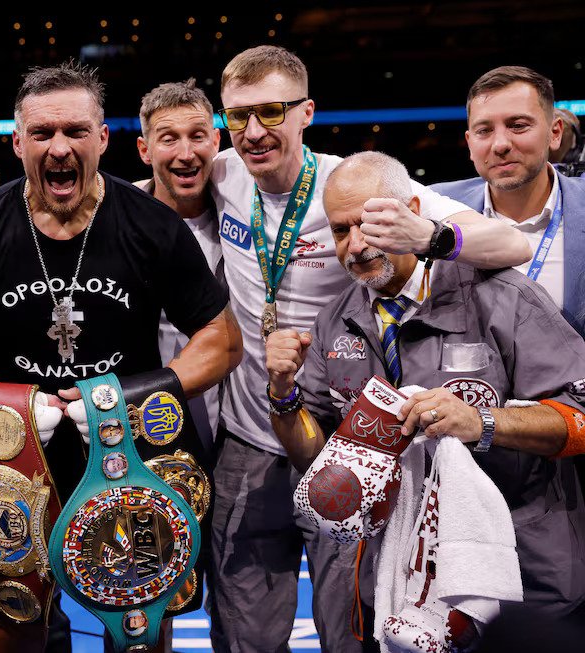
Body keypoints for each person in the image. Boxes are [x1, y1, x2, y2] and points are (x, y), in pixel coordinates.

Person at [0, 60, 241, 653]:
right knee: (16, 624)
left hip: (125, 448)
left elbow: (223, 338)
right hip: (15, 454)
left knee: (139, 626)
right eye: (43, 134)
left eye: (75, 131)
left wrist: (134, 397)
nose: (59, 148)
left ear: (102, 139)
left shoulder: (150, 225)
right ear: (18, 141)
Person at [207, 45, 533, 653]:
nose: (253, 132)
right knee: (244, 631)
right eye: (238, 115)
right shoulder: (223, 173)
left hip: (347, 438)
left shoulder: (351, 183)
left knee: (348, 624)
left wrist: (431, 236)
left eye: (272, 112)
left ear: (307, 112)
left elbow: (512, 244)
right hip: (250, 433)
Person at [266, 151, 585, 636]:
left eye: (369, 224)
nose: (355, 246)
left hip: (520, 569)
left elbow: (580, 417)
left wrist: (484, 422)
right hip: (398, 578)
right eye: (339, 230)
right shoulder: (334, 322)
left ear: (412, 211)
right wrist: (284, 395)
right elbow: (318, 458)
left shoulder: (500, 295)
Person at [431, 66, 585, 337]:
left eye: (518, 126)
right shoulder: (434, 207)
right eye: (484, 130)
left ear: (555, 133)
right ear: (469, 143)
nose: (500, 144)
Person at [136, 78, 224, 448]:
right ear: (145, 150)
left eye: (198, 135)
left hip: (228, 417)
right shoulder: (118, 219)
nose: (185, 153)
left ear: (216, 142)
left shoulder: (240, 212)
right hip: (137, 411)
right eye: (169, 138)